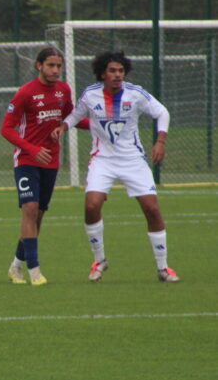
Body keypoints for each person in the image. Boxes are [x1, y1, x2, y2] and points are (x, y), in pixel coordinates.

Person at [52, 51, 179, 283]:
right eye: (112, 70)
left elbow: (162, 112)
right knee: (91, 206)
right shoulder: (90, 95)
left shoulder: (136, 93)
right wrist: (63, 127)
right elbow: (75, 115)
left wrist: (160, 141)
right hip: (103, 160)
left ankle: (163, 268)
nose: (117, 75)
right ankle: (99, 260)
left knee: (152, 209)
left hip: (133, 160)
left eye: (121, 71)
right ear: (103, 73)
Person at [0, 47, 88, 285]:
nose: (55, 70)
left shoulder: (63, 90)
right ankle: (35, 271)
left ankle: (15, 267)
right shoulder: (24, 93)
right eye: (50, 65)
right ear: (38, 65)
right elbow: (5, 129)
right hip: (26, 160)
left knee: (37, 217)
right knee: (29, 208)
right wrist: (32, 150)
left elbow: (71, 118)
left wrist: (103, 124)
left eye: (58, 66)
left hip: (51, 161)